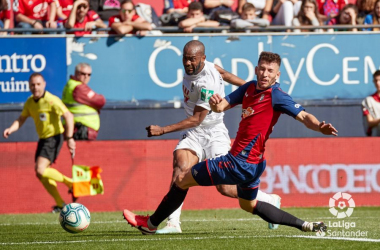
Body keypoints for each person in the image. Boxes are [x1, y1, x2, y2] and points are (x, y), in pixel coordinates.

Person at [124, 51, 338, 235]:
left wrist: (320, 126)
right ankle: (307, 225)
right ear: (256, 69)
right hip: (253, 165)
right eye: (262, 69)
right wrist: (216, 104)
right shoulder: (249, 88)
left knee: (181, 179)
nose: (265, 74)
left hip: (237, 163)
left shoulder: (277, 96)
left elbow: (304, 116)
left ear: (277, 75)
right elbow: (221, 107)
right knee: (249, 205)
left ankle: (151, 224)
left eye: (270, 71)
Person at [144, 41, 282, 234]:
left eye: (192, 59)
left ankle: (267, 199)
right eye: (185, 58)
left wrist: (162, 130)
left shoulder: (206, 81)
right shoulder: (208, 66)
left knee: (224, 187)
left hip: (213, 132)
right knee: (180, 167)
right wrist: (249, 89)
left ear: (202, 58)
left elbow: (197, 119)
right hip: (195, 134)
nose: (188, 63)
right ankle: (173, 223)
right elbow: (224, 73)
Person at [3, 73, 76, 213]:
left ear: (44, 84)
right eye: (32, 85)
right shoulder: (30, 102)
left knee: (40, 169)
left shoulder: (51, 100)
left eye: (38, 84)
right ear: (29, 86)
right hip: (43, 139)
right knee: (40, 174)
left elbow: (68, 115)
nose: (35, 87)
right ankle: (61, 204)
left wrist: (70, 137)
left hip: (54, 137)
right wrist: (11, 129)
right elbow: (21, 119)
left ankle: (70, 183)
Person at [62, 63, 106, 140]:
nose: (86, 77)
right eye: (83, 74)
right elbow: (100, 101)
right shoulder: (79, 88)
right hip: (80, 129)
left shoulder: (71, 84)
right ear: (76, 73)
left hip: (75, 128)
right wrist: (101, 97)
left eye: (89, 75)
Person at [362, 70, 380, 136]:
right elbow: (369, 122)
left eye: (379, 80)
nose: (378, 83)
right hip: (375, 137)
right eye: (376, 80)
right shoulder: (368, 101)